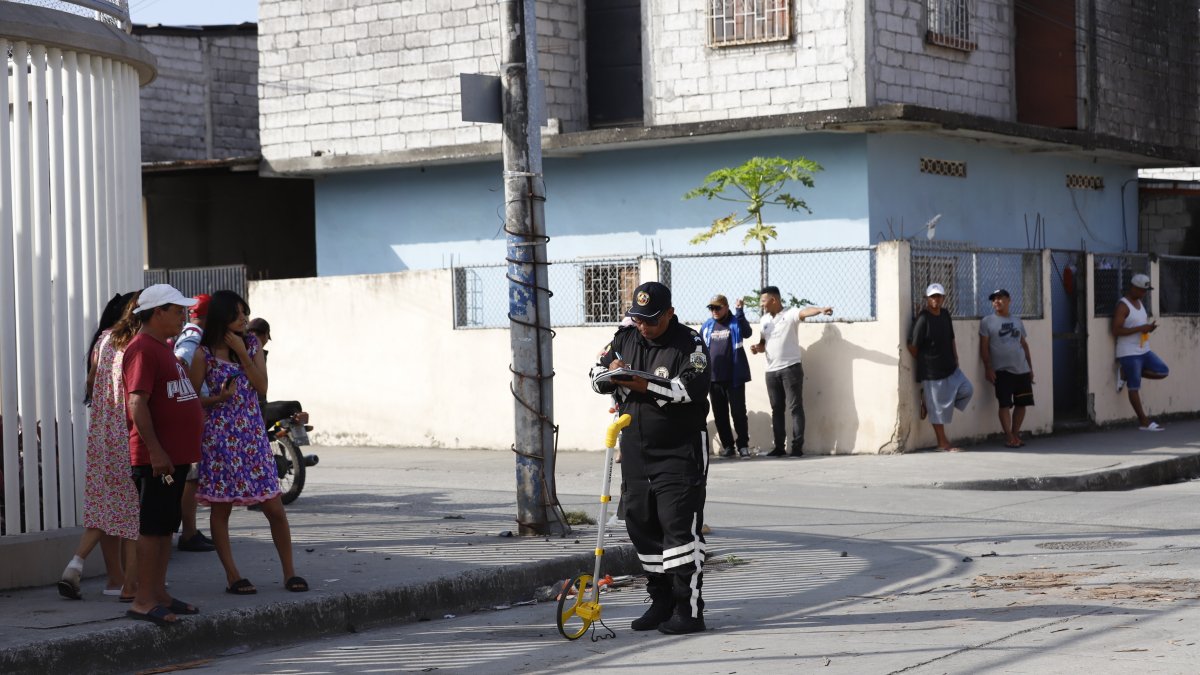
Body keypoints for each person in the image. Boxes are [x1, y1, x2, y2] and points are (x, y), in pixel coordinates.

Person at [590, 281, 711, 635]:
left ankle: (689, 610)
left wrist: (640, 383)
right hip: (635, 451)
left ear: (670, 314)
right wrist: (612, 375)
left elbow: (691, 388)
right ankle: (661, 601)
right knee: (640, 523)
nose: (644, 327)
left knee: (678, 527)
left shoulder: (690, 343)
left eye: (652, 321)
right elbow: (595, 374)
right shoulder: (625, 337)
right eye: (639, 319)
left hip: (679, 451)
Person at [188, 291, 307, 595]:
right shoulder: (202, 354)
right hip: (219, 442)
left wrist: (242, 352)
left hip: (253, 439)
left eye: (245, 313)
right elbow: (192, 400)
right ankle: (233, 576)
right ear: (221, 317)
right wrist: (219, 398)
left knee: (275, 508)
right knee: (221, 509)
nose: (244, 319)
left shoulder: (251, 345)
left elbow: (262, 385)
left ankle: (290, 572)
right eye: (238, 314)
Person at [123, 284, 204, 626]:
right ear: (158, 312)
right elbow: (137, 402)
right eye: (176, 310)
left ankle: (160, 594)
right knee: (152, 529)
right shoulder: (142, 349)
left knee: (165, 529)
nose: (182, 315)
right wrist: (155, 451)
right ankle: (143, 600)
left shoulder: (164, 347)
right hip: (156, 459)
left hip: (175, 457)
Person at [59, 292, 142, 601]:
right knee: (133, 510)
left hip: (101, 435)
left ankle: (108, 575)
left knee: (105, 506)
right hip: (127, 432)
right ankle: (131, 583)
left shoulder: (103, 340)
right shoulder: (135, 344)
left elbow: (92, 382)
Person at [748, 286, 833, 457]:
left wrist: (821, 309)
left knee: (795, 407)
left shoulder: (791, 313)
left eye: (763, 301)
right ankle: (779, 448)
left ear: (774, 300)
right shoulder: (764, 320)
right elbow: (764, 343)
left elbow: (805, 312)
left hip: (790, 368)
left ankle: (796, 448)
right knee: (776, 409)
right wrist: (758, 348)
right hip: (771, 371)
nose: (761, 305)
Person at [172, 293, 216, 553]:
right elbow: (179, 361)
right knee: (191, 477)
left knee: (192, 476)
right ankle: (188, 533)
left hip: (194, 410)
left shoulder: (192, 333)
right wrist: (191, 393)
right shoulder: (193, 336)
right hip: (194, 413)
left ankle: (189, 531)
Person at [907, 283, 974, 452]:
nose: (936, 299)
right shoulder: (923, 318)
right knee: (938, 410)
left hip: (951, 367)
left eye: (939, 296)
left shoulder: (945, 314)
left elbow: (951, 337)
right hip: (932, 372)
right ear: (927, 299)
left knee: (967, 389)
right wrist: (926, 361)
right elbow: (912, 346)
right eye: (932, 297)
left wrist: (956, 356)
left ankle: (928, 402)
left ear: (944, 298)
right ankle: (942, 443)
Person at [1112, 273, 1169, 431]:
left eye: (1146, 291)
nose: (1144, 294)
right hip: (1129, 352)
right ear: (1133, 288)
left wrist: (1148, 328)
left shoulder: (1140, 303)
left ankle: (1126, 372)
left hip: (1144, 349)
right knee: (1134, 387)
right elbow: (1116, 330)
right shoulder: (1123, 305)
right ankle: (1144, 421)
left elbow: (1139, 326)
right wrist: (1140, 328)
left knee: (1163, 371)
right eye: (1142, 290)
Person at [979, 289, 1035, 448]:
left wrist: (1030, 368)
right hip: (1002, 371)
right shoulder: (987, 321)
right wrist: (988, 368)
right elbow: (984, 347)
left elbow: (1023, 344)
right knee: (1004, 404)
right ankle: (1009, 437)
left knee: (1022, 403)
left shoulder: (1017, 321)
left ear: (1009, 300)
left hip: (1022, 369)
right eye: (994, 299)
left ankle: (1016, 434)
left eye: (1000, 298)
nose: (996, 301)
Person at [699, 294, 753, 458]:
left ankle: (743, 445)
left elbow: (747, 332)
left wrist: (740, 311)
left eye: (717, 307)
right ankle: (728, 446)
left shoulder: (736, 322)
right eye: (711, 308)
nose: (714, 311)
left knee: (738, 413)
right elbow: (700, 348)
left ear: (726, 307)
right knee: (720, 415)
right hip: (714, 379)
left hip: (734, 378)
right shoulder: (708, 326)